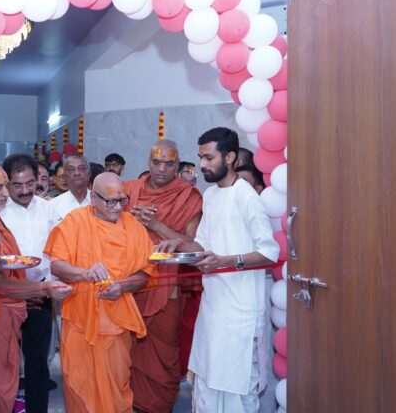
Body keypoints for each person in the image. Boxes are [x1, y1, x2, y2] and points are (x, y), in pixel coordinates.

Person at [158, 127, 279, 413]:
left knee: (237, 388)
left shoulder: (246, 197)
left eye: (209, 158)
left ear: (230, 158)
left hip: (240, 313)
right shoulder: (210, 195)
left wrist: (224, 261)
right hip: (213, 308)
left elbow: (269, 253)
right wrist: (177, 245)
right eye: (200, 157)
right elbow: (203, 244)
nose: (202, 164)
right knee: (208, 381)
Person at [0, 162, 72, 413]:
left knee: (8, 382)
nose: (6, 194)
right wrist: (42, 289)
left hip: (7, 313)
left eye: (5, 187)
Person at [45, 173, 156, 413]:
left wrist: (122, 286)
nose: (117, 207)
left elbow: (145, 272)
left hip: (117, 322)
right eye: (110, 201)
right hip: (80, 321)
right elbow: (57, 265)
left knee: (116, 386)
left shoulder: (133, 227)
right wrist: (84, 273)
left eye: (122, 200)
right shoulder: (74, 222)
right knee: (79, 385)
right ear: (94, 198)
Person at [124, 139, 203, 413]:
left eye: (169, 163)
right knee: (127, 348)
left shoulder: (188, 196)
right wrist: (130, 219)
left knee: (163, 350)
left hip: (167, 286)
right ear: (148, 162)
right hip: (129, 282)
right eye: (156, 162)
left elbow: (193, 244)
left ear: (177, 165)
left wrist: (156, 224)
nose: (161, 169)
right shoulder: (128, 190)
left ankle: (156, 406)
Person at [0, 154, 58, 413]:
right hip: (6, 297)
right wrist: (17, 294)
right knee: (4, 361)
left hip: (40, 294)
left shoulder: (48, 209)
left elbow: (57, 252)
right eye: (17, 185)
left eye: (30, 183)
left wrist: (46, 289)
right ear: (6, 183)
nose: (24, 191)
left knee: (37, 362)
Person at [49, 155, 91, 221]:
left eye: (81, 168)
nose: (76, 173)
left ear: (89, 174)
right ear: (65, 176)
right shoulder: (53, 205)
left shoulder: (99, 202)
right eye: (71, 169)